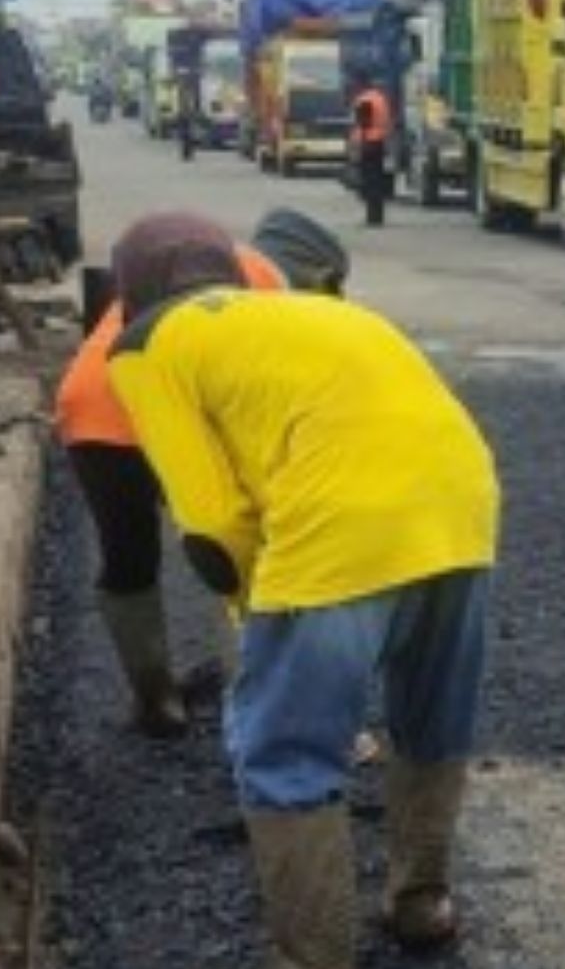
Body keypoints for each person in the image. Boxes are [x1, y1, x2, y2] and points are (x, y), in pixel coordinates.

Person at [102, 214, 500, 969]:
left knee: (281, 750)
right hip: (462, 511)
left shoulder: (145, 345)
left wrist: (258, 618)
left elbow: (209, 524)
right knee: (430, 718)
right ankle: (420, 900)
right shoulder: (330, 313)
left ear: (128, 294)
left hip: (336, 530)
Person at [49, 209, 349, 735]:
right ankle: (267, 705)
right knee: (240, 546)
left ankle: (155, 700)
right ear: (319, 275)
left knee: (128, 555)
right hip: (163, 407)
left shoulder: (201, 264)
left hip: (89, 408)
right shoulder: (269, 293)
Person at [350, 80, 394, 227]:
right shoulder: (381, 99)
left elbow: (364, 123)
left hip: (368, 143)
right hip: (379, 142)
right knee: (377, 180)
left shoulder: (365, 100)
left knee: (370, 182)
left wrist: (358, 146)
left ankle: (372, 217)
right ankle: (377, 216)